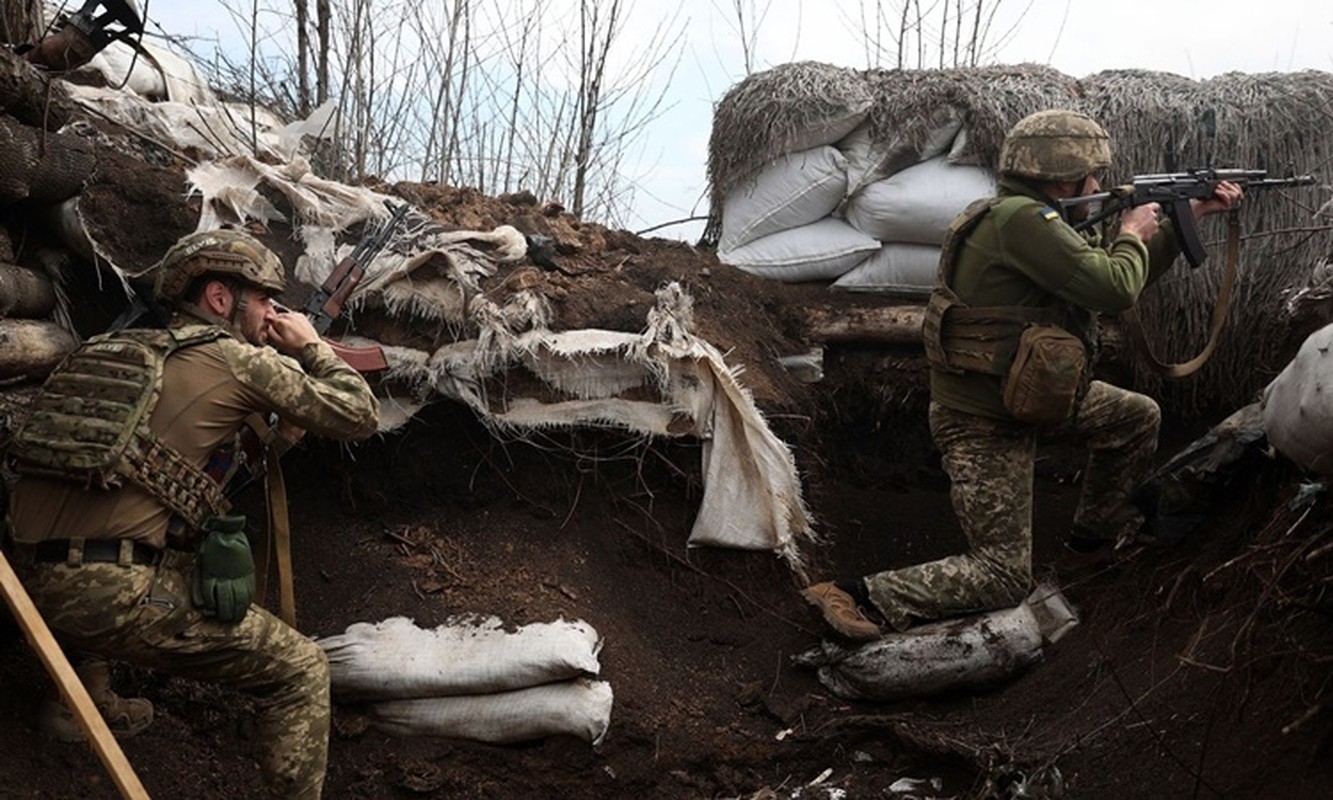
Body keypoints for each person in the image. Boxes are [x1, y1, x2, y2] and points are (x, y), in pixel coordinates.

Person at [802, 109, 1244, 641]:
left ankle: (1090, 543)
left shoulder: (1038, 222)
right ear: (1062, 175)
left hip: (1034, 396)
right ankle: (858, 595)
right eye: (1092, 174)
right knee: (1004, 575)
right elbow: (1112, 289)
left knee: (1134, 418)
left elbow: (1109, 276)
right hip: (984, 421)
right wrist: (1131, 231)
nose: (1099, 185)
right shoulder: (1023, 223)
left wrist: (1183, 221)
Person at [2, 228, 379, 798]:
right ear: (220, 299)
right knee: (301, 670)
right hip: (104, 598)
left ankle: (78, 702)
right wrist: (309, 346)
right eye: (264, 302)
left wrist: (277, 439)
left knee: (166, 550)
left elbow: (161, 474)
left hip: (24, 583)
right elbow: (358, 412)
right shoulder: (236, 360)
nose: (272, 314)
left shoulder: (110, 351)